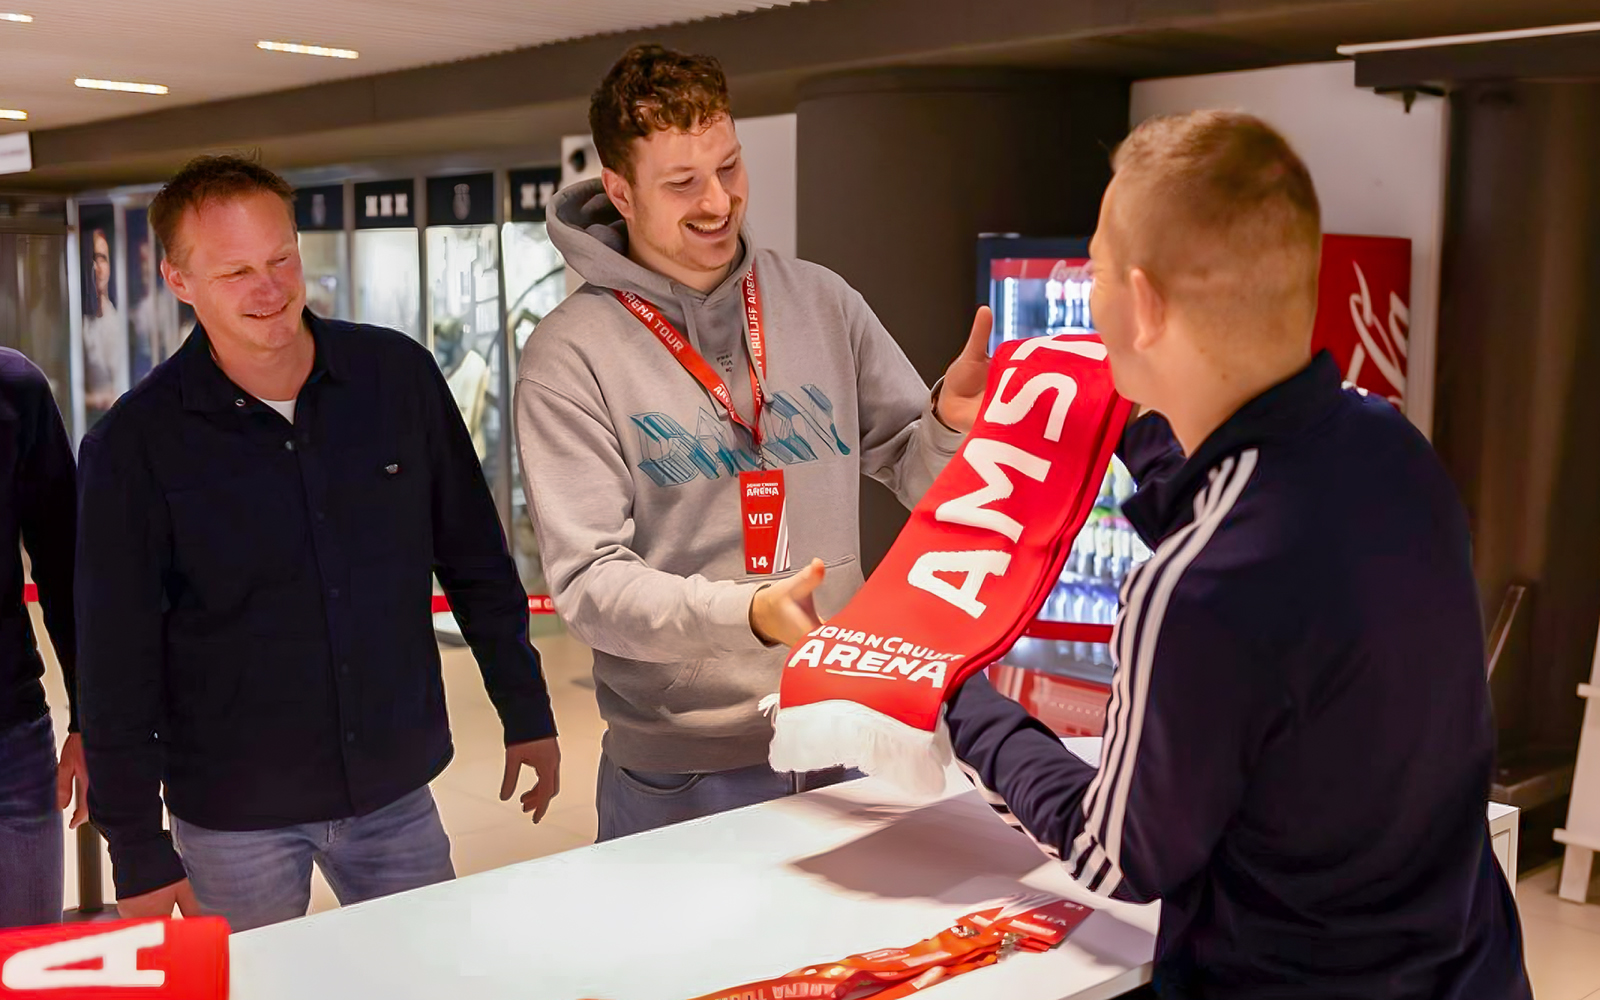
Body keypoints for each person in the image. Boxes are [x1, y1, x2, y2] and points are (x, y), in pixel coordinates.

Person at [944, 111, 1531, 999]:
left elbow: (1115, 856)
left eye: (1096, 270)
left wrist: (957, 694)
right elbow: (1254, 501)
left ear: (1142, 305)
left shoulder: (1190, 593)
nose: (1088, 294)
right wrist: (1108, 422)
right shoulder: (1394, 450)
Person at [515, 44, 992, 841]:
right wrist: (751, 615)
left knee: (856, 966)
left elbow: (917, 473)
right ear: (621, 193)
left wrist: (949, 425)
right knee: (687, 972)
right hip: (685, 769)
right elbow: (590, 587)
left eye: (729, 168)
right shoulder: (570, 355)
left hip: (843, 728)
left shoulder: (821, 300)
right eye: (682, 184)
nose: (717, 202)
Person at [77, 156, 562, 933]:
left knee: (431, 981)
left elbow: (474, 557)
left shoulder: (395, 378)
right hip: (234, 817)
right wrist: (136, 846)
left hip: (395, 791)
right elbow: (115, 665)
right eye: (235, 271)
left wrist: (525, 708)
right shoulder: (133, 447)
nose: (270, 290)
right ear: (178, 279)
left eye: (280, 259)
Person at [0, 348, 86, 929]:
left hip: (11, 741)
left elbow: (66, 568)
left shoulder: (15, 387)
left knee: (28, 969)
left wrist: (88, 722)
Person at [82, 228, 129, 415]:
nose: (97, 267)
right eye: (92, 259)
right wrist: (95, 400)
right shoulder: (79, 325)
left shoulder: (119, 321)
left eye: (102, 258)